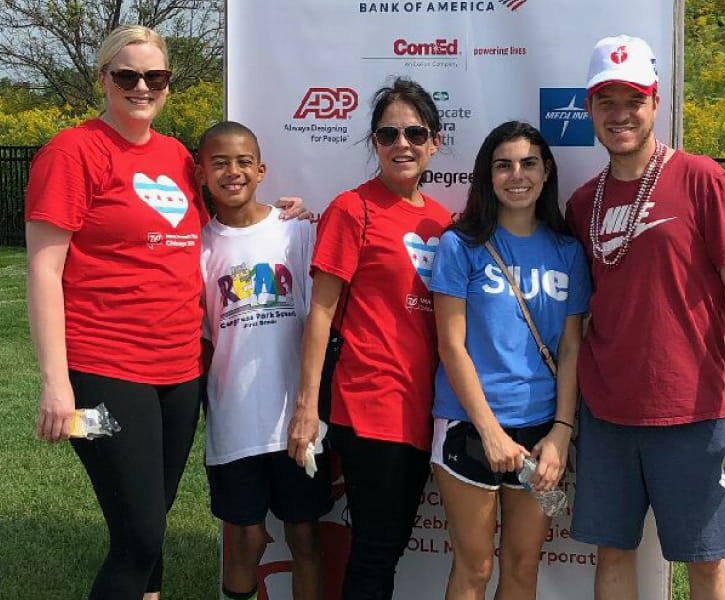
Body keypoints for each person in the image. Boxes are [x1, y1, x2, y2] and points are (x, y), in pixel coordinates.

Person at [24, 25, 304, 600]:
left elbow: (225, 218)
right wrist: (57, 385)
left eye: (155, 77)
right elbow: (43, 271)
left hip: (179, 376)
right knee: (140, 535)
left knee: (152, 518)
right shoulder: (72, 152)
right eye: (127, 76)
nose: (142, 86)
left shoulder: (177, 156)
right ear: (104, 80)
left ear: (169, 85)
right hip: (103, 375)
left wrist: (280, 212)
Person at [565, 34, 725, 600]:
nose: (620, 115)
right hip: (607, 412)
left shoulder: (702, 179)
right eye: (605, 101)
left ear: (655, 102)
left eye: (632, 100)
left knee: (705, 561)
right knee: (614, 552)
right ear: (588, 109)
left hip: (693, 409)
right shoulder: (582, 203)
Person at [287, 78, 451, 599]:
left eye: (414, 132)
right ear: (374, 143)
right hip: (368, 403)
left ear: (435, 142)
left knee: (390, 545)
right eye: (388, 133)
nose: (402, 143)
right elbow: (320, 313)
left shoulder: (443, 221)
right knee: (377, 549)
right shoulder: (351, 209)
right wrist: (307, 406)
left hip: (423, 409)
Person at [429, 121, 590, 600]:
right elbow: (450, 345)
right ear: (487, 175)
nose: (516, 175)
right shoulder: (460, 245)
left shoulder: (567, 251)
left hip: (541, 430)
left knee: (523, 567)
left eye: (528, 163)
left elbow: (570, 347)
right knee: (475, 567)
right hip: (469, 427)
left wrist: (561, 430)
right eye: (503, 165)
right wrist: (490, 430)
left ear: (546, 172)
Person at [197, 121, 333, 600]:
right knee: (247, 541)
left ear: (260, 170)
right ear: (203, 173)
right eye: (219, 163)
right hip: (234, 419)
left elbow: (323, 312)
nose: (232, 172)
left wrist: (310, 406)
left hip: (296, 419)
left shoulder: (295, 233)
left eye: (241, 162)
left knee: (305, 537)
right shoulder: (200, 246)